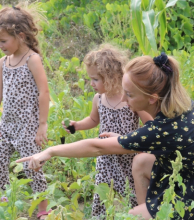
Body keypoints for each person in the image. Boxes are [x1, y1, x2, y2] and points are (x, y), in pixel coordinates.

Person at [17, 53, 194, 219]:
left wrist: (50, 151)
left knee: (132, 215)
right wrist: (135, 138)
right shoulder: (180, 104)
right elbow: (152, 142)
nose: (124, 100)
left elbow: (98, 147)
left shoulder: (163, 128)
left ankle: (145, 213)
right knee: (142, 161)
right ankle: (151, 212)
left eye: (130, 95)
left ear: (152, 98)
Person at [61, 44, 153, 218]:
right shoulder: (99, 99)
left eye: (95, 79)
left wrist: (131, 139)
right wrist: (77, 125)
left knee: (132, 192)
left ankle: (139, 215)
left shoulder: (130, 99)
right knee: (101, 194)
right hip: (105, 156)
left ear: (110, 77)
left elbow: (151, 125)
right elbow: (94, 120)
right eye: (90, 79)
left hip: (128, 155)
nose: (91, 84)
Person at [0, 4, 51, 219]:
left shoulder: (32, 60)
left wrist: (42, 125)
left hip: (28, 127)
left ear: (21, 36)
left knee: (32, 168)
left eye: (3, 41)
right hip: (7, 125)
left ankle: (43, 209)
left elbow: (44, 92)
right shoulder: (3, 63)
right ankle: (7, 199)